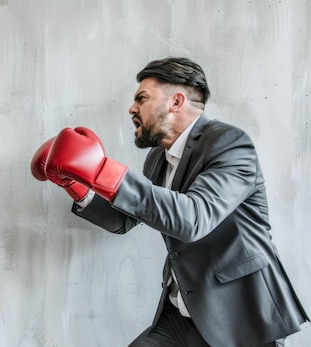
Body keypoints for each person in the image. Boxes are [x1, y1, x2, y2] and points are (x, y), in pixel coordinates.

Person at [32, 57, 308, 346]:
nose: (132, 108)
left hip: (237, 318)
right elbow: (125, 219)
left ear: (176, 102)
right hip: (179, 315)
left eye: (142, 98)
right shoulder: (158, 159)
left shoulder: (229, 143)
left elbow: (193, 219)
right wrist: (76, 185)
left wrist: (101, 170)